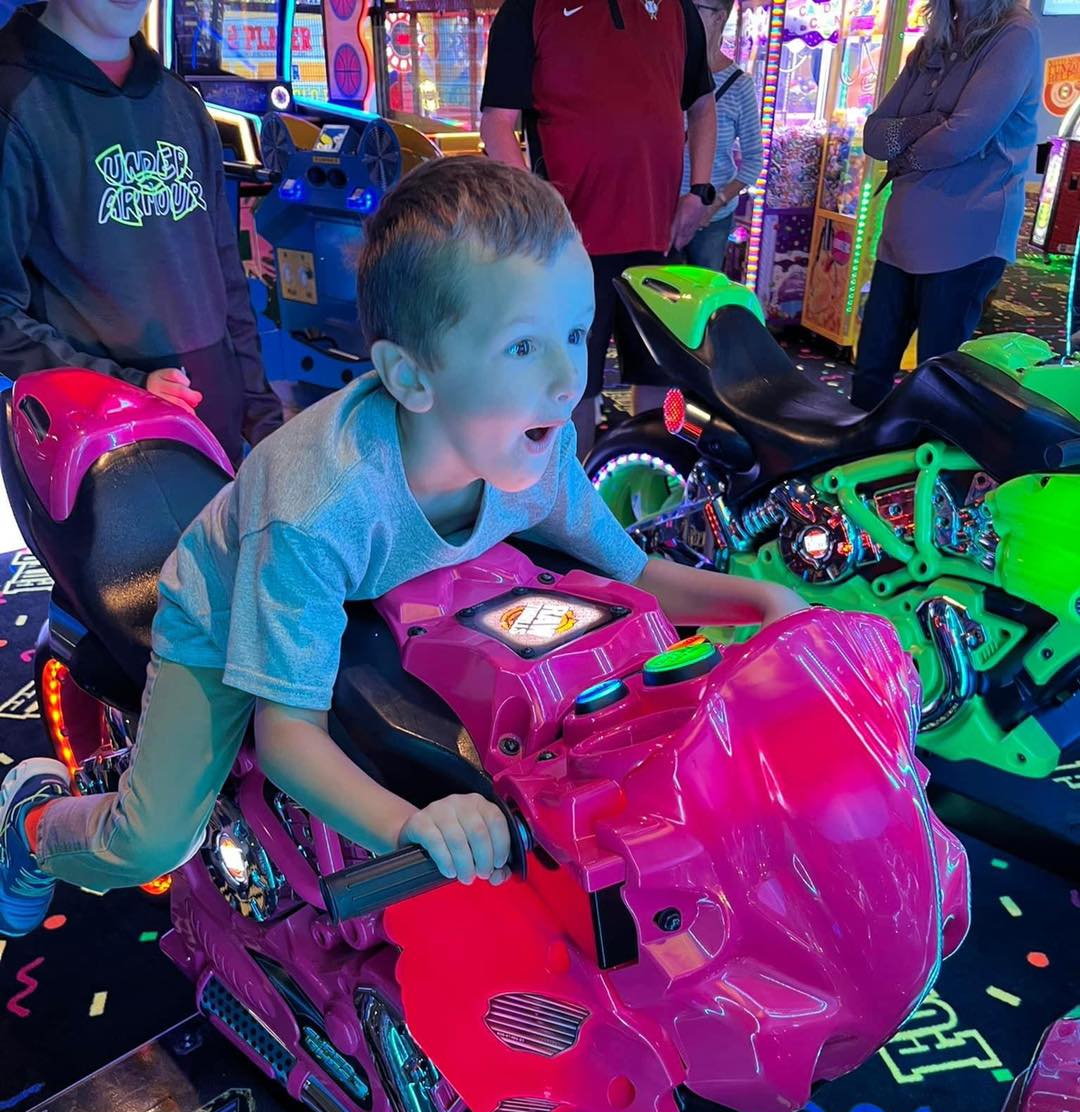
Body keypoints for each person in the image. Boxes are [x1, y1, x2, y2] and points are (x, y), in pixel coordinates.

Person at [0, 158, 807, 939]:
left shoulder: (536, 444)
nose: (570, 377)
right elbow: (288, 739)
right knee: (152, 839)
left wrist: (764, 602)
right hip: (229, 598)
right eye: (522, 347)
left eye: (575, 331)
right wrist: (413, 826)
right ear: (412, 378)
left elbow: (634, 573)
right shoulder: (318, 508)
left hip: (386, 582)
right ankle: (33, 825)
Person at [0, 0, 282, 466]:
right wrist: (122, 387)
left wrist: (262, 415)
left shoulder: (181, 103)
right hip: (101, 454)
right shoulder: (14, 103)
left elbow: (226, 279)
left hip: (219, 440)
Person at [478, 0, 718, 458]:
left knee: (661, 379)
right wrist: (539, 209)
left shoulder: (676, 9)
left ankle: (650, 486)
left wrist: (699, 192)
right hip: (569, 247)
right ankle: (569, 493)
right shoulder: (529, 9)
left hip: (657, 237)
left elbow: (702, 106)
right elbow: (496, 123)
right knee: (569, 387)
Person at [850, 0, 1040, 412]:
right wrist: (928, 123)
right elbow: (874, 136)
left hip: (966, 238)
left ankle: (921, 457)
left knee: (937, 386)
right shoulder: (935, 40)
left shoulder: (1015, 33)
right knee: (869, 376)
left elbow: (961, 138)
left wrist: (906, 152)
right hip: (902, 236)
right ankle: (861, 452)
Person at [680, 0, 763, 272]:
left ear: (719, 17)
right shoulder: (669, 71)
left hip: (710, 218)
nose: (685, 14)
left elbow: (754, 160)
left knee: (702, 289)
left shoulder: (739, 85)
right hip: (663, 209)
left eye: (696, 8)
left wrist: (716, 202)